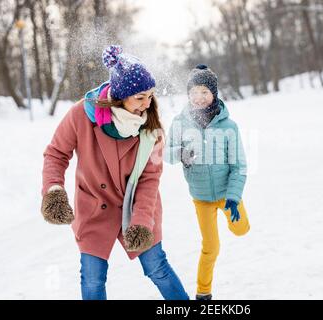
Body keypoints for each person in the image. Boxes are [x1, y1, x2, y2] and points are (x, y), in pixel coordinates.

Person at [41, 45, 189, 300]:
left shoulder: (150, 128)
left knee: (157, 268)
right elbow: (56, 153)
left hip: (138, 207)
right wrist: (53, 190)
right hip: (95, 207)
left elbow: (149, 178)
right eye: (140, 97)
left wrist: (142, 222)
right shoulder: (81, 115)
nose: (147, 104)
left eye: (151, 95)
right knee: (92, 278)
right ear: (120, 96)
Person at [164, 64, 250, 300]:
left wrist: (233, 197)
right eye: (193, 92)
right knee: (211, 247)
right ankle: (203, 294)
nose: (199, 98)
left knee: (242, 229)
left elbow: (239, 166)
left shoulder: (228, 127)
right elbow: (163, 152)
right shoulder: (180, 123)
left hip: (227, 195)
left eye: (204, 92)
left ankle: (234, 212)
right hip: (201, 198)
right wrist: (180, 153)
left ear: (214, 94)